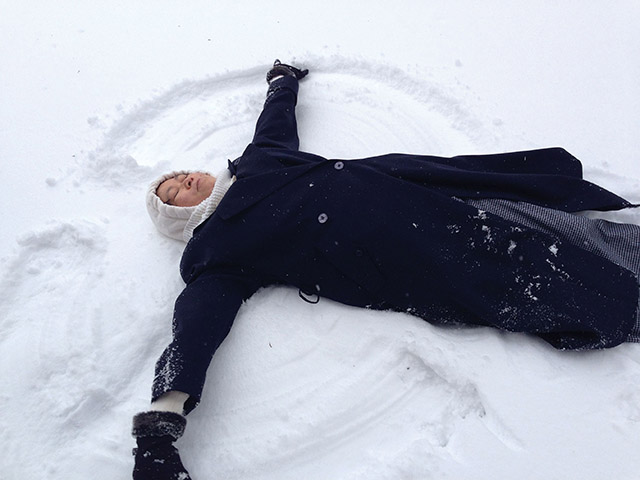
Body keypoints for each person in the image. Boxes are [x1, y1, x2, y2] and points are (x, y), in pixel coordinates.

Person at [132, 60, 640, 479]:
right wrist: (163, 417)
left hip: (416, 190)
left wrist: (281, 83)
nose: (183, 178)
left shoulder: (256, 162)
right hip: (391, 252)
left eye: (179, 173)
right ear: (178, 216)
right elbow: (198, 324)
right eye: (172, 190)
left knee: (540, 220)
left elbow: (275, 123)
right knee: (533, 276)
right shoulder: (213, 249)